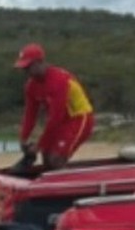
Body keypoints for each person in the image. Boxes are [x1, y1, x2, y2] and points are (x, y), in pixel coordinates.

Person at [13, 43, 95, 171]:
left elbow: (56, 116)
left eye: (28, 67)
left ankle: (72, 187)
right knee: (46, 159)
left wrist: (39, 145)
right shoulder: (31, 86)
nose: (26, 71)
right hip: (60, 121)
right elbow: (30, 114)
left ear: (40, 62)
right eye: (24, 68)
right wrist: (23, 138)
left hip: (78, 118)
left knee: (56, 159)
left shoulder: (59, 80)